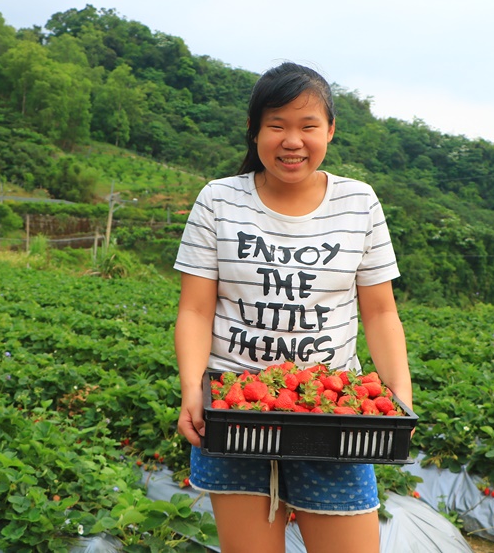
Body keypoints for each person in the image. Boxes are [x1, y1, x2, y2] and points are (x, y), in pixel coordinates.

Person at [173, 62, 413, 553]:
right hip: (235, 409)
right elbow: (196, 310)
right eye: (277, 124)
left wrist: (397, 400)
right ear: (254, 129)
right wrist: (191, 391)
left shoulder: (358, 202)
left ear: (330, 131)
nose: (292, 140)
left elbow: (381, 312)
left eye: (308, 126)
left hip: (337, 417)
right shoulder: (218, 200)